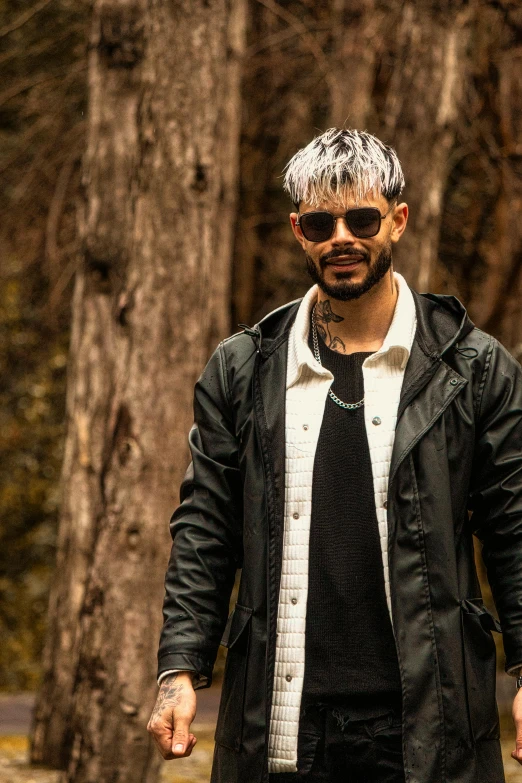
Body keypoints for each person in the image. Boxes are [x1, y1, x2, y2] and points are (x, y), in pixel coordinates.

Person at [147, 128, 522, 783]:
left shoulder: (473, 369)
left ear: (398, 220)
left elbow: (516, 529)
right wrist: (179, 667)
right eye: (321, 222)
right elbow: (204, 527)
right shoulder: (245, 369)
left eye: (362, 218)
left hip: (429, 724)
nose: (341, 236)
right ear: (299, 231)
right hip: (284, 722)